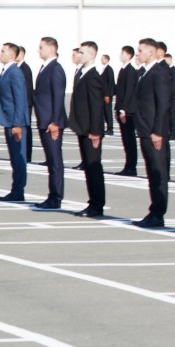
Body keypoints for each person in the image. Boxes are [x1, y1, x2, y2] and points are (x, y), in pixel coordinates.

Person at [133, 37, 172, 228]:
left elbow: (164, 104)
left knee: (158, 174)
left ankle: (158, 214)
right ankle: (154, 210)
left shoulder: (159, 72)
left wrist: (158, 131)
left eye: (140, 50)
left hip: (154, 132)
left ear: (151, 52)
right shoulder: (145, 72)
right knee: (152, 173)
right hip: (145, 130)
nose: (137, 53)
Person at [70, 41, 106, 218]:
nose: (79, 54)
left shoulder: (93, 76)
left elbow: (96, 106)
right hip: (82, 128)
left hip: (91, 130)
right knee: (88, 168)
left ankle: (97, 204)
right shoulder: (81, 73)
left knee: (94, 167)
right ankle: (92, 202)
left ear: (92, 55)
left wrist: (95, 131)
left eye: (82, 52)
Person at [33, 37, 67, 209]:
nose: (38, 50)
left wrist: (55, 121)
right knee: (50, 161)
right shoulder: (45, 67)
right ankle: (52, 194)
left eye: (41, 47)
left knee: (55, 161)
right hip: (44, 120)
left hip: (51, 122)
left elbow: (59, 97)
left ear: (51, 49)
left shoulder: (55, 69)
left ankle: (56, 197)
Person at [0, 43, 29, 203]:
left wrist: (18, 124)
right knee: (14, 158)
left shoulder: (15, 72)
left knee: (18, 158)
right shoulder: (6, 71)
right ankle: (15, 189)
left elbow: (20, 99)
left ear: (11, 55)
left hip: (15, 122)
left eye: (3, 51)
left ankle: (18, 191)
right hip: (8, 120)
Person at [114, 44, 141, 176]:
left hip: (128, 111)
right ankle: (128, 165)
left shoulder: (130, 71)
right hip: (122, 109)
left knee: (130, 140)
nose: (121, 55)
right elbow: (119, 90)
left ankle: (131, 167)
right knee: (125, 139)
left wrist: (123, 109)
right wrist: (117, 108)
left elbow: (129, 91)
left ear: (129, 55)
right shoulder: (123, 70)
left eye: (123, 53)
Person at [16, 45, 36, 164]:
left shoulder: (24, 68)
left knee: (26, 129)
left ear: (22, 54)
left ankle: (27, 155)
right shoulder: (19, 68)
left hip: (25, 104)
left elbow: (27, 88)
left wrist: (25, 104)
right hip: (22, 104)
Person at [100, 53, 116, 136]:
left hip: (107, 95)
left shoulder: (109, 69)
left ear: (107, 59)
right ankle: (107, 128)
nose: (101, 60)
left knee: (108, 111)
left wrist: (108, 95)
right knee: (104, 112)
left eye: (103, 59)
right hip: (103, 95)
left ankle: (110, 128)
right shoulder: (104, 69)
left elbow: (110, 83)